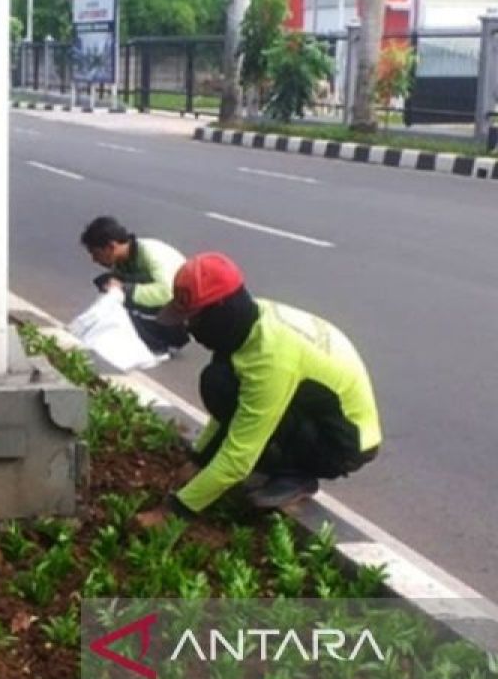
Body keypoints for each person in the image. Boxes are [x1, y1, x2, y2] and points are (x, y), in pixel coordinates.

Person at [135, 253, 383, 526]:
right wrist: (197, 460)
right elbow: (227, 413)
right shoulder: (249, 322)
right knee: (219, 381)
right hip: (314, 412)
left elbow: (239, 456)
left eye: (193, 320)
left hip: (342, 443)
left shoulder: (272, 360)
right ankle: (283, 462)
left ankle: (297, 473)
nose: (190, 329)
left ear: (219, 311)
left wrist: (174, 510)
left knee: (243, 410)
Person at [80, 215, 189, 355]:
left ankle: (162, 341)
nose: (94, 260)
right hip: (164, 305)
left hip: (181, 306)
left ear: (111, 246)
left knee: (122, 305)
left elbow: (166, 292)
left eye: (96, 254)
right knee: (107, 285)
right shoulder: (124, 260)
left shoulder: (150, 253)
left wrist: (125, 290)